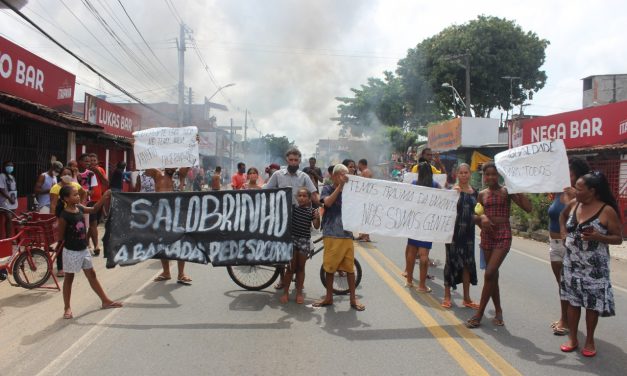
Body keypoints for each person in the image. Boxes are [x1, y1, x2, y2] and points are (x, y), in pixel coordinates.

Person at [558, 171, 622, 357]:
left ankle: (590, 340)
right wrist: (563, 233)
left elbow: (618, 238)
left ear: (592, 191)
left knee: (592, 305)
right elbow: (562, 217)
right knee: (573, 301)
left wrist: (598, 236)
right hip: (571, 264)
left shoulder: (606, 210)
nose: (575, 191)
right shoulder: (574, 203)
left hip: (594, 268)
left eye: (579, 189)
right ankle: (573, 338)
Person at [466, 162, 532, 328]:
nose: (490, 177)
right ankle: (498, 311)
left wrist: (516, 188)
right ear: (483, 176)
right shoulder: (481, 194)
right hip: (487, 236)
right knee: (492, 275)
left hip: (503, 235)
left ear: (499, 176)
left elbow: (528, 208)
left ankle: (479, 314)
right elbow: (473, 216)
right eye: (487, 174)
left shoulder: (507, 191)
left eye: (494, 174)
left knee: (489, 273)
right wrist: (482, 218)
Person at [56, 185, 122, 319]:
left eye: (77, 194)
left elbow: (94, 209)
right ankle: (67, 307)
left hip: (83, 249)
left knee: (92, 275)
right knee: (69, 279)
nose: (78, 196)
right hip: (71, 252)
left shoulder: (79, 207)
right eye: (74, 195)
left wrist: (104, 196)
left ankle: (105, 300)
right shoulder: (64, 215)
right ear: (66, 199)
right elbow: (60, 236)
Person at [312, 164, 364, 311]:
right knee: (330, 268)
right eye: (341, 174)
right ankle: (328, 297)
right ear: (334, 176)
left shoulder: (350, 190)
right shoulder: (328, 188)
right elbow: (327, 203)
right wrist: (339, 187)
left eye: (345, 175)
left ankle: (353, 300)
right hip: (331, 233)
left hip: (346, 234)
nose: (344, 177)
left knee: (349, 269)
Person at [265, 148, 319, 290]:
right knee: (283, 251)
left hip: (300, 219)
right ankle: (283, 280)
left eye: (296, 160)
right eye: (291, 160)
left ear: (300, 160)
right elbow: (266, 191)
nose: (294, 162)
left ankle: (297, 275)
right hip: (282, 219)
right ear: (286, 160)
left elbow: (313, 195)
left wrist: (324, 204)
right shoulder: (277, 175)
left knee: (299, 251)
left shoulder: (304, 177)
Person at [548, 157, 590, 336]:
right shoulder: (559, 191)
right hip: (554, 244)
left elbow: (587, 217)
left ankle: (567, 322)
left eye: (571, 174)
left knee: (569, 286)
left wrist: (576, 196)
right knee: (561, 284)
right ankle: (564, 317)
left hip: (571, 246)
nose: (568, 177)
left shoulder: (583, 195)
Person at [145, 167, 192, 285]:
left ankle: (181, 274)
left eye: (173, 165)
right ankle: (166, 272)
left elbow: (189, 162)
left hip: (177, 215)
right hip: (160, 216)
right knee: (161, 244)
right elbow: (145, 169)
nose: (171, 168)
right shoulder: (158, 174)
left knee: (180, 243)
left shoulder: (180, 174)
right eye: (169, 165)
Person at [442, 163, 479, 309]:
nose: (464, 175)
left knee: (467, 265)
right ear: (457, 174)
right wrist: (453, 195)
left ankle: (467, 298)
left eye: (466, 172)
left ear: (470, 174)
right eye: (461, 173)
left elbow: (478, 212)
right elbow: (445, 210)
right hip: (453, 234)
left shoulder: (475, 192)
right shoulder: (452, 191)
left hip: (469, 234)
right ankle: (447, 296)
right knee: (450, 262)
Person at [404, 162, 441, 293]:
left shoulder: (414, 184)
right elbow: (444, 199)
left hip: (414, 222)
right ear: (431, 173)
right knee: (424, 254)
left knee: (412, 252)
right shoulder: (435, 186)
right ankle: (422, 285)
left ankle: (409, 280)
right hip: (427, 223)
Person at [279, 187, 320, 304]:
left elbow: (316, 226)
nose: (301, 198)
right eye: (299, 196)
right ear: (296, 198)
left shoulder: (312, 211)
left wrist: (317, 217)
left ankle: (299, 293)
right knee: (290, 269)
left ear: (308, 198)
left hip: (304, 242)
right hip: (292, 241)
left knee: (301, 268)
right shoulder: (293, 209)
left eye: (304, 196)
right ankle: (285, 292)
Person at [50, 168, 87, 277]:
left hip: (74, 217)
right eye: (64, 174)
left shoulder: (74, 185)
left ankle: (72, 263)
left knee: (72, 240)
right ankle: (60, 267)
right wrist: (54, 218)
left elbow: (83, 193)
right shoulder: (56, 188)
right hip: (62, 217)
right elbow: (53, 204)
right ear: (60, 175)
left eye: (69, 174)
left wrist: (81, 205)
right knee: (61, 242)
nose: (67, 175)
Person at [87, 154, 108, 257]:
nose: (92, 162)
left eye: (94, 160)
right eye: (90, 161)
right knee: (93, 225)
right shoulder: (85, 171)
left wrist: (97, 171)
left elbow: (105, 182)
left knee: (94, 225)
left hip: (98, 200)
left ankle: (86, 242)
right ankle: (96, 246)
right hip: (88, 201)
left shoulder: (100, 170)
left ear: (97, 161)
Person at [356, 158, 373, 242]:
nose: (357, 166)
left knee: (364, 216)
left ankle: (366, 236)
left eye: (358, 164)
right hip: (364, 197)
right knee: (362, 216)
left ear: (361, 164)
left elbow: (365, 186)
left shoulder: (366, 172)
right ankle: (362, 234)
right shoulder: (365, 171)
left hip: (365, 198)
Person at [0, 161, 17, 239]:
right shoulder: (2, 176)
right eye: (8, 165)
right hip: (4, 200)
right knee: (9, 217)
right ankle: (8, 238)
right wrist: (9, 198)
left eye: (11, 165)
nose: (10, 167)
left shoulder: (12, 177)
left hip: (12, 201)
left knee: (11, 219)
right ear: (4, 166)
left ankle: (9, 237)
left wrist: (13, 199)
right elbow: (1, 189)